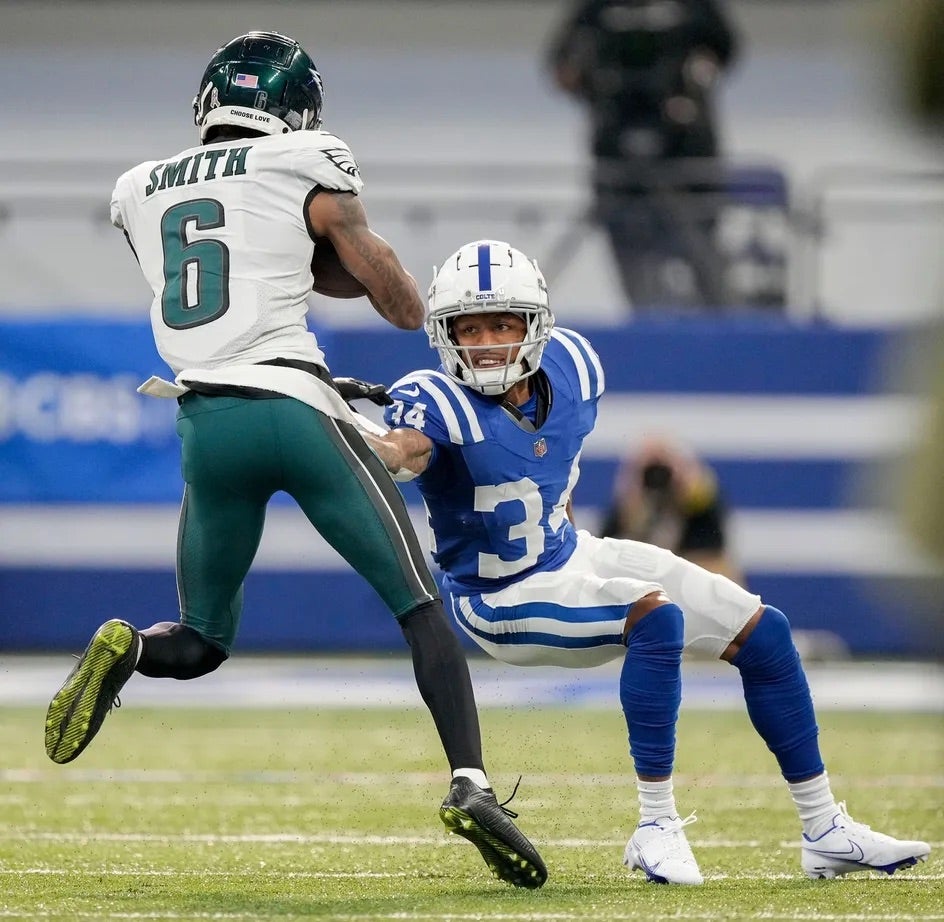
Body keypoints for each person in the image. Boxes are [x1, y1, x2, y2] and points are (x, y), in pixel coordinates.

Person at [42, 34, 546, 890]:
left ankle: (125, 650)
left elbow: (239, 267)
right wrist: (388, 283)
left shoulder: (138, 188)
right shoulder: (305, 158)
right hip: (293, 408)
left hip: (203, 420)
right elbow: (388, 295)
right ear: (297, 111)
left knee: (200, 639)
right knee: (421, 607)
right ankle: (473, 784)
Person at [356, 238, 931, 884]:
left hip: (568, 555)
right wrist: (379, 445)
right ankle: (654, 827)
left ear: (535, 326)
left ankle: (825, 829)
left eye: (501, 323)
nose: (486, 341)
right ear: (444, 335)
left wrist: (580, 557)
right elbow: (405, 450)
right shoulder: (431, 399)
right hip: (498, 597)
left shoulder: (574, 365)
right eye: (469, 328)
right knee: (654, 619)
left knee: (764, 631)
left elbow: (548, 467)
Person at [546, 0, 738, 311]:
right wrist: (591, 84)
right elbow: (562, 65)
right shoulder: (597, 10)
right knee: (637, 271)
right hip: (617, 160)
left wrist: (691, 83)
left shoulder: (695, 9)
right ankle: (647, 321)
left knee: (702, 260)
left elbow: (724, 51)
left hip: (686, 156)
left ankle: (722, 326)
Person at [600, 435, 745, 584]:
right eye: (649, 468)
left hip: (692, 582)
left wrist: (689, 488)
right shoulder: (627, 508)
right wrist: (631, 497)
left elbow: (716, 560)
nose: (658, 475)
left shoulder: (702, 511)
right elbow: (605, 558)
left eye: (665, 467)